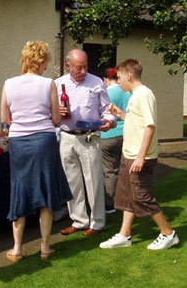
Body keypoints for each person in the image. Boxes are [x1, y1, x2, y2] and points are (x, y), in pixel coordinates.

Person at [1, 40, 72, 261]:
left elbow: (5, 119)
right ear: (40, 61)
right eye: (46, 62)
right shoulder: (48, 83)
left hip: (18, 142)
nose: (46, 66)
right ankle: (45, 247)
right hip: (44, 140)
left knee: (20, 190)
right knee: (45, 191)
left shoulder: (9, 83)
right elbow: (56, 118)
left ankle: (17, 249)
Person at [99, 58, 179, 250]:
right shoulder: (135, 95)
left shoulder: (144, 94)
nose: (118, 82)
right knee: (127, 196)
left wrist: (141, 157)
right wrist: (121, 115)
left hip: (139, 157)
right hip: (129, 154)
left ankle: (168, 233)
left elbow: (149, 126)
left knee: (142, 195)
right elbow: (136, 121)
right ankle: (124, 235)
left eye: (119, 78)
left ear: (129, 76)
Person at [55, 48, 116, 236]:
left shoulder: (96, 82)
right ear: (68, 66)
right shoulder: (58, 84)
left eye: (85, 66)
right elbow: (50, 113)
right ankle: (79, 220)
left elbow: (107, 110)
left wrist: (109, 122)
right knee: (72, 181)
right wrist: (56, 111)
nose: (82, 71)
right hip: (66, 136)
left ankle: (97, 222)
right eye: (78, 68)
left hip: (89, 136)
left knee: (93, 181)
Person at [101, 67, 131, 214]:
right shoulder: (127, 91)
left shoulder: (106, 92)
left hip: (109, 135)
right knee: (123, 168)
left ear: (106, 79)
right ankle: (126, 199)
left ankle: (110, 204)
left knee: (109, 171)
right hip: (126, 133)